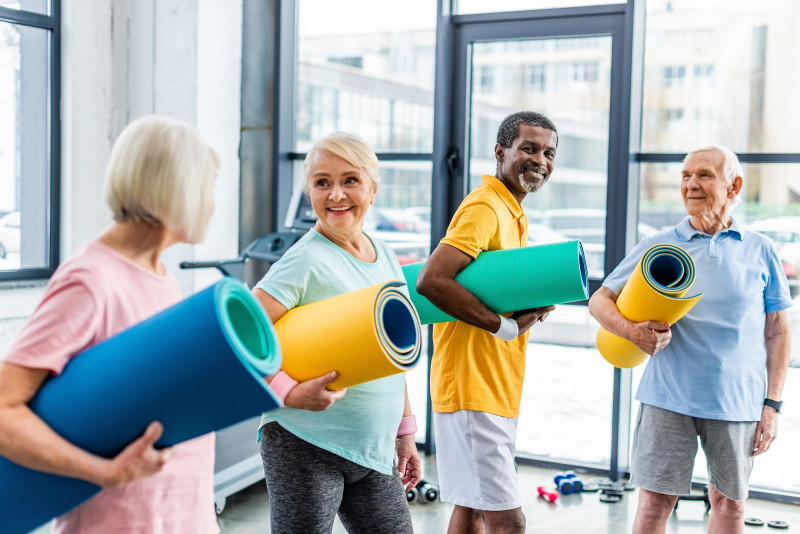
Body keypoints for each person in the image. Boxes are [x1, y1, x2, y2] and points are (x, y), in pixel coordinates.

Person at [0, 115, 221, 533]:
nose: (212, 203)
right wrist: (102, 471)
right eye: (209, 186)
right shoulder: (90, 279)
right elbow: (4, 410)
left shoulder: (162, 278)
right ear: (176, 188)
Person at [588, 146, 793, 534]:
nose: (690, 184)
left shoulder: (760, 249)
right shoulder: (660, 243)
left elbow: (778, 331)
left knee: (730, 505)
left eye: (703, 175)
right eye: (685, 175)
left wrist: (773, 405)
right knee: (652, 505)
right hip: (668, 397)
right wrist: (632, 332)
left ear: (734, 186)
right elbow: (600, 300)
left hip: (738, 401)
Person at [252, 131, 421, 534]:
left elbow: (390, 355)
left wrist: (405, 433)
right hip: (304, 443)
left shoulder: (387, 256)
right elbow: (240, 340)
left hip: (374, 450)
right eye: (322, 182)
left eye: (350, 180)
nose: (336, 195)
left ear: (373, 188)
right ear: (309, 190)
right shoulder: (304, 261)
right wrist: (289, 393)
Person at [415, 111, 558, 534]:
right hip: (472, 387)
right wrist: (505, 326)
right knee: (509, 522)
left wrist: (530, 300)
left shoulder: (512, 212)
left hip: (492, 386)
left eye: (548, 152)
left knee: (472, 509)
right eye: (529, 148)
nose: (541, 160)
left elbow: (486, 284)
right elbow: (431, 280)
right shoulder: (485, 206)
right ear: (501, 152)